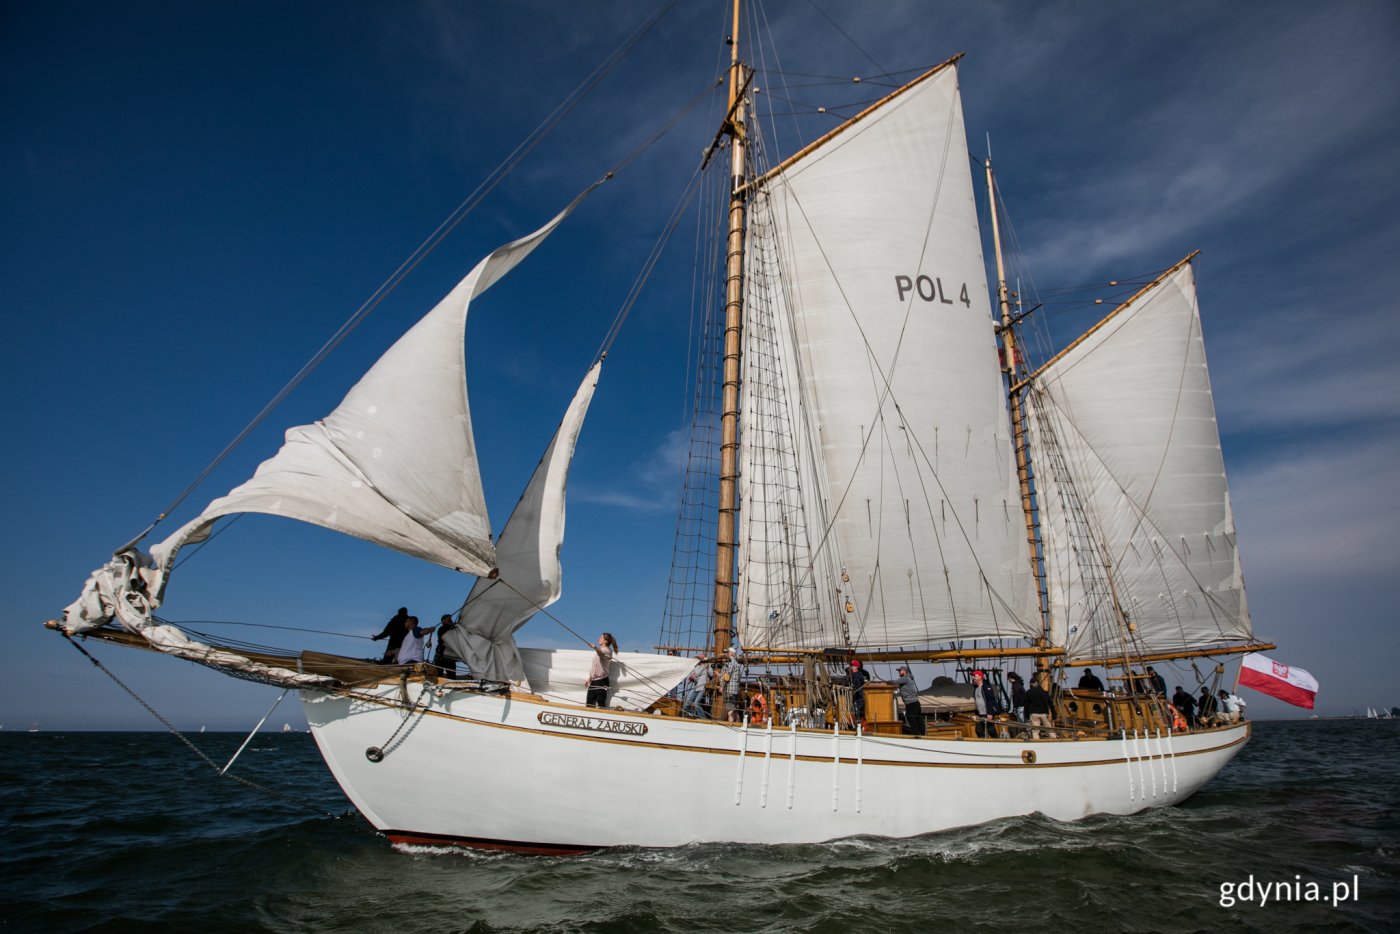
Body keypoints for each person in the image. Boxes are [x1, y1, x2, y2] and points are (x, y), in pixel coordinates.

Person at [585, 632, 618, 708]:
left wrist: (595, 648)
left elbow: (602, 654)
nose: (598, 639)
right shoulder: (598, 651)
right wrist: (589, 678)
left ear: (605, 641)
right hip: (594, 680)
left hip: (602, 681)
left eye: (600, 638)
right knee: (589, 702)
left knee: (601, 702)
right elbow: (594, 667)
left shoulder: (607, 651)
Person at [1023, 672, 1055, 739]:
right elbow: (1050, 704)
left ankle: (1036, 741)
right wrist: (1054, 714)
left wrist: (1026, 715)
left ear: (1031, 684)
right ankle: (1054, 739)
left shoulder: (1028, 692)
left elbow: (1026, 705)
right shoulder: (1044, 692)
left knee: (1035, 730)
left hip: (1033, 713)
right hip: (1043, 713)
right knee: (1049, 729)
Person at [894, 665, 924, 736]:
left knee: (911, 719)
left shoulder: (905, 678)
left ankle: (917, 736)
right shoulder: (908, 679)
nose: (899, 672)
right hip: (915, 703)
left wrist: (886, 682)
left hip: (911, 704)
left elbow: (894, 682)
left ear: (904, 671)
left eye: (900, 671)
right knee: (918, 720)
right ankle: (923, 735)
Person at [971, 670, 1002, 738]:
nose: (973, 678)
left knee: (991, 730)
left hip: (987, 713)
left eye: (975, 676)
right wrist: (976, 715)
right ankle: (984, 744)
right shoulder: (976, 689)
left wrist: (990, 713)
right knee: (978, 730)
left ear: (980, 677)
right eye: (973, 676)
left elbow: (990, 700)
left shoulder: (986, 687)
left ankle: (997, 742)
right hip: (980, 714)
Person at [681, 653, 709, 718]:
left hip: (702, 688)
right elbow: (690, 675)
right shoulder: (695, 668)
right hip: (696, 688)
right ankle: (693, 715)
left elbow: (710, 674)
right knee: (686, 705)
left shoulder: (706, 666)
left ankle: (703, 718)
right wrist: (691, 677)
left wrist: (708, 667)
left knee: (696, 703)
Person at [721, 646, 743, 721]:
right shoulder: (736, 663)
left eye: (727, 652)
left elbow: (727, 677)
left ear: (731, 653)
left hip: (730, 689)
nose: (726, 654)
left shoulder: (730, 662)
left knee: (730, 710)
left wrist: (722, 687)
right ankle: (738, 725)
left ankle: (731, 727)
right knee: (735, 710)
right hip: (735, 689)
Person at [848, 658, 869, 726]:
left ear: (856, 667)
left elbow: (856, 685)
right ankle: (860, 727)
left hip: (857, 698)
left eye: (852, 665)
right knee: (860, 714)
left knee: (857, 714)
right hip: (860, 697)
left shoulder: (855, 676)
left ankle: (858, 728)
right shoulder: (860, 675)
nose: (850, 667)